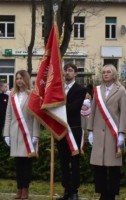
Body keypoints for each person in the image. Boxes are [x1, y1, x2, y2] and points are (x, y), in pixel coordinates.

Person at [87, 64, 126, 200]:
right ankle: (103, 193)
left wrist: (121, 133)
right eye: (103, 72)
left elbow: (123, 113)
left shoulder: (121, 90)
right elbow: (93, 111)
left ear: (114, 74)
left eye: (108, 72)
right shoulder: (97, 90)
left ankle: (111, 195)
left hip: (113, 133)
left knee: (113, 166)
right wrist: (90, 130)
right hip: (98, 132)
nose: (105, 74)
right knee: (100, 165)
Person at [3, 70, 40, 199]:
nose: (19, 81)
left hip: (28, 134)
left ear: (26, 79)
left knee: (26, 164)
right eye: (17, 78)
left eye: (21, 78)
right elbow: (8, 116)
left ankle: (25, 189)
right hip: (14, 133)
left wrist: (36, 134)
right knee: (18, 164)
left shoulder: (32, 95)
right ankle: (19, 188)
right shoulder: (12, 95)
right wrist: (6, 134)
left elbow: (36, 117)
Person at [57, 63, 86, 200]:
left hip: (73, 130)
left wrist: (57, 108)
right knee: (63, 162)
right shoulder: (58, 89)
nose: (67, 73)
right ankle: (66, 190)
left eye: (70, 71)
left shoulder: (80, 89)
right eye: (65, 70)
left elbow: (74, 108)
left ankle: (74, 191)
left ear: (75, 74)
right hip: (61, 130)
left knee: (74, 162)